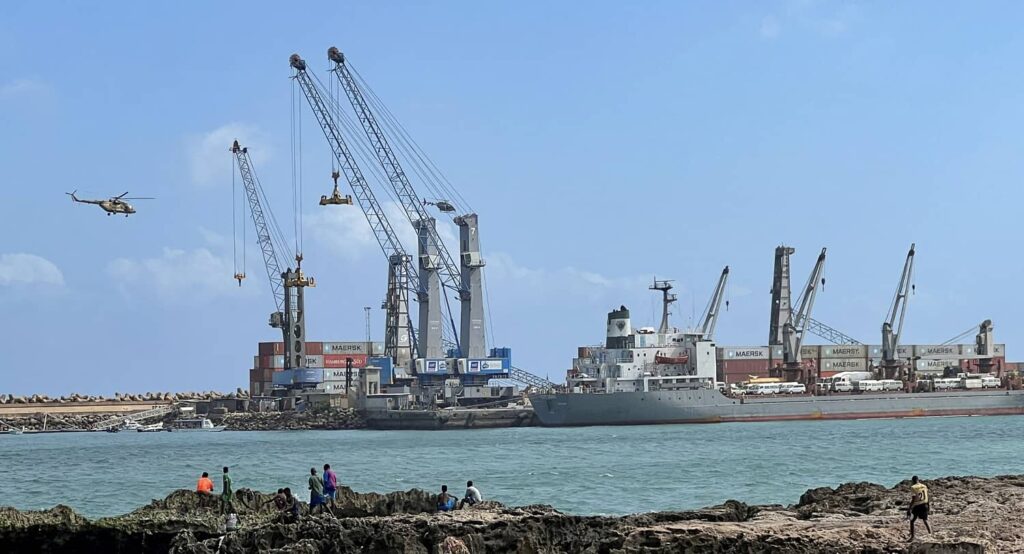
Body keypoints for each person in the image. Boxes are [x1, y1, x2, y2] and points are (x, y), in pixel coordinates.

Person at [907, 476, 931, 540]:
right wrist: (928, 506)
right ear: (918, 480)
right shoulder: (924, 486)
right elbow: (927, 497)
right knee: (925, 520)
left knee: (912, 521)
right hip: (925, 504)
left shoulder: (913, 487)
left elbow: (913, 499)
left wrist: (909, 508)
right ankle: (930, 533)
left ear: (912, 481)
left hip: (917, 505)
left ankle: (912, 537)